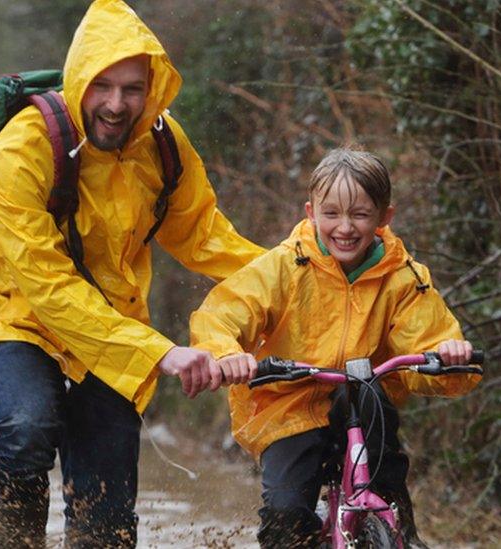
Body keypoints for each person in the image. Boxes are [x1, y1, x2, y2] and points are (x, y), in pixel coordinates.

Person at [0, 1, 264, 545]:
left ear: (153, 89)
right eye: (103, 86)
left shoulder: (163, 145)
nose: (116, 105)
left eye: (132, 89)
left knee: (107, 519)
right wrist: (158, 352)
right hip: (14, 316)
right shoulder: (21, 151)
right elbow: (49, 289)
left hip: (115, 329)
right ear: (79, 80)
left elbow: (204, 237)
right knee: (29, 424)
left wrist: (300, 272)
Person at [189, 147, 482, 548]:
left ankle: (398, 525)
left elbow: (427, 336)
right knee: (287, 516)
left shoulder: (403, 277)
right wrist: (225, 352)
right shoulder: (284, 266)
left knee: (381, 443)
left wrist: (447, 355)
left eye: (360, 214)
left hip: (364, 400)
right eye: (332, 214)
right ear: (311, 212)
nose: (345, 227)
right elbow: (224, 314)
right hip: (289, 406)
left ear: (384, 218)